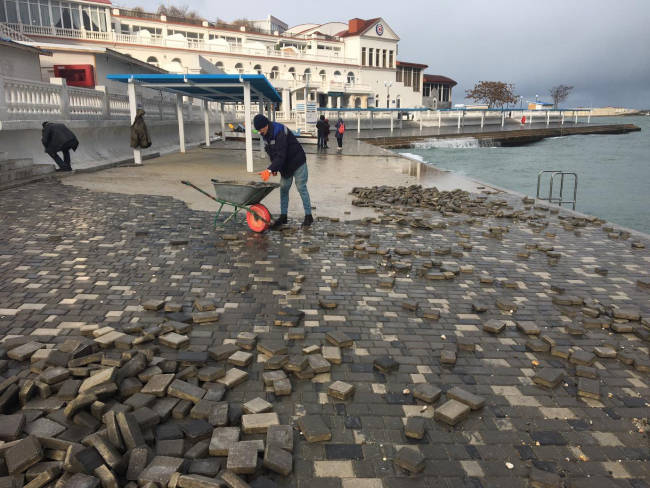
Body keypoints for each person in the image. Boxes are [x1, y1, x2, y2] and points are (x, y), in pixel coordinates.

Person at [254, 114, 313, 228]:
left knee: (301, 188)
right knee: (284, 189)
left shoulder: (280, 131)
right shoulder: (264, 134)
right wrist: (274, 168)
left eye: (260, 129)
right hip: (285, 165)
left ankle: (308, 216)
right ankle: (283, 216)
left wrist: (269, 170)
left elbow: (281, 155)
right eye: (258, 130)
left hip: (297, 161)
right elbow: (270, 151)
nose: (260, 132)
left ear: (266, 125)